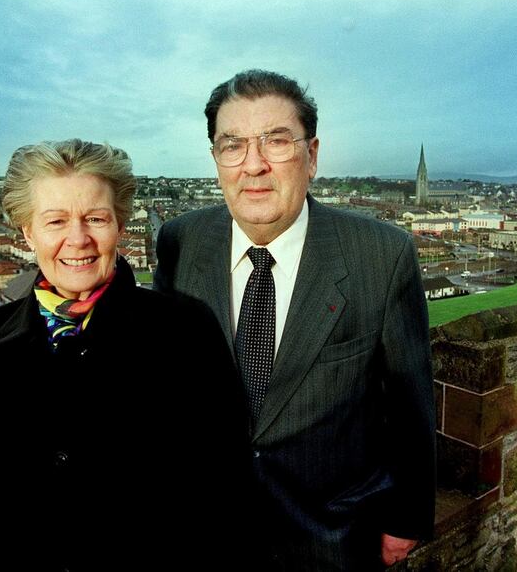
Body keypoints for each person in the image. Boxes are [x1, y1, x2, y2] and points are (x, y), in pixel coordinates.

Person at [155, 70, 436, 570]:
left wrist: (407, 518)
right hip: (205, 535)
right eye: (233, 145)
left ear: (312, 156)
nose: (254, 165)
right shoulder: (180, 241)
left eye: (277, 142)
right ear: (216, 160)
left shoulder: (381, 254)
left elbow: (409, 400)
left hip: (330, 537)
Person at [0, 139, 250, 570]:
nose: (78, 239)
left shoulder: (184, 329)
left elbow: (225, 486)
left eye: (96, 218)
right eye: (55, 221)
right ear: (28, 231)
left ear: (120, 225)